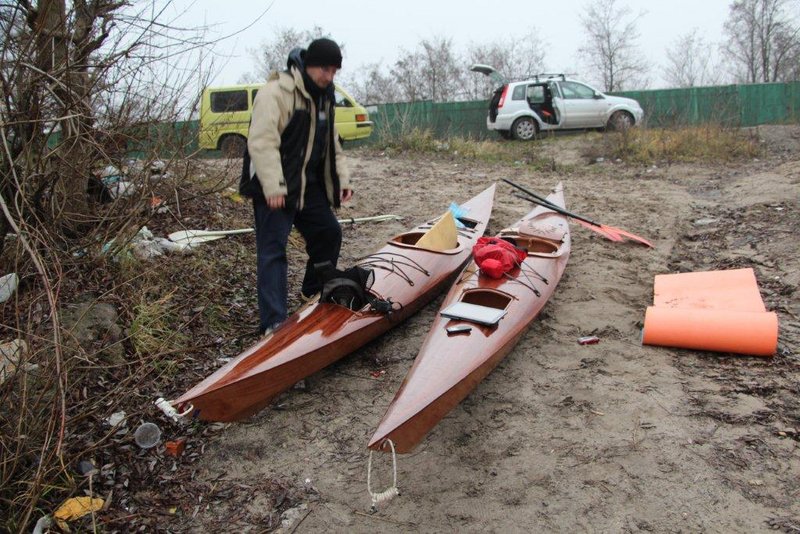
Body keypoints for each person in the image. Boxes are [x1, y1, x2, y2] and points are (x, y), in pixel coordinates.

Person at [243, 38, 353, 334]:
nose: (329, 77)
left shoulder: (324, 96)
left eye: (334, 72)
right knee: (273, 251)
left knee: (328, 233)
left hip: (307, 186)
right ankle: (274, 322)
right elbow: (262, 142)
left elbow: (332, 144)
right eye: (325, 70)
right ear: (309, 65)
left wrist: (341, 179)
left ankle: (313, 292)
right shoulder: (276, 92)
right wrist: (274, 187)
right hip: (273, 185)